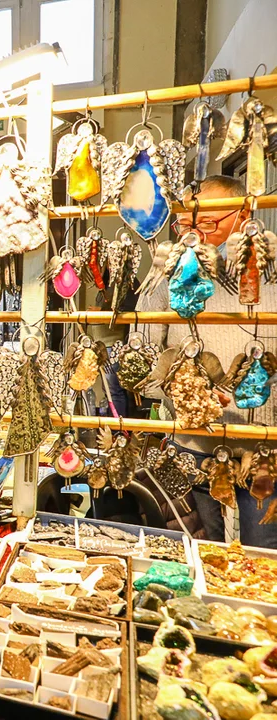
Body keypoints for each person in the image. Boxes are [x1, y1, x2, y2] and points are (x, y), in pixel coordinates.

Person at [139, 175, 277, 549]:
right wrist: (185, 398)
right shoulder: (166, 283)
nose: (194, 232)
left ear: (245, 212)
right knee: (196, 551)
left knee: (262, 555)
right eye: (185, 222)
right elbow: (146, 366)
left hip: (266, 451)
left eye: (208, 221)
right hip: (191, 448)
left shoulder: (271, 274)